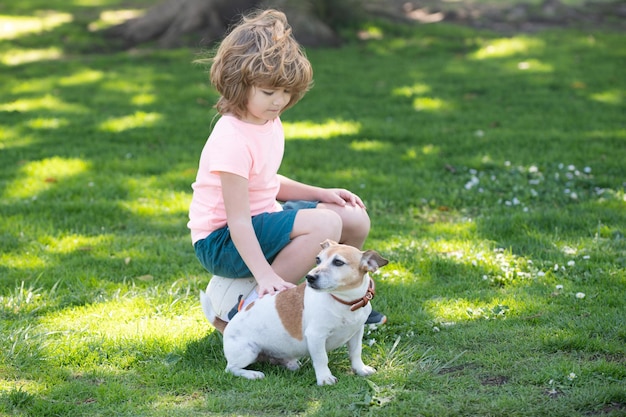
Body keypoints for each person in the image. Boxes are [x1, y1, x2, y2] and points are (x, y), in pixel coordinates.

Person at [188, 9, 385, 325]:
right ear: (239, 83)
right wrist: (264, 276)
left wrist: (322, 192)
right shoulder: (231, 137)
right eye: (268, 92)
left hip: (261, 218)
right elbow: (238, 220)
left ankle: (342, 297)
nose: (278, 101)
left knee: (353, 217)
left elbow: (265, 181)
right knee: (325, 225)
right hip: (222, 241)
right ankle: (255, 308)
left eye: (286, 92)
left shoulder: (267, 119)